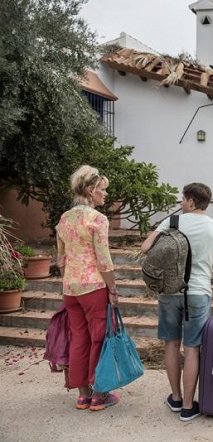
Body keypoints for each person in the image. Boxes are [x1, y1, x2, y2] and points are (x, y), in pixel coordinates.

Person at [141, 182, 213, 422]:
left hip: (170, 292)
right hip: (199, 294)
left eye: (183, 199)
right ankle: (189, 407)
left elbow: (145, 247)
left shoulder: (172, 223)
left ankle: (176, 397)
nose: (181, 203)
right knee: (192, 348)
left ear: (191, 201)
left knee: (171, 344)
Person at [56, 165, 119, 411]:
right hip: (94, 286)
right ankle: (100, 393)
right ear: (91, 190)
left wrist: (68, 282)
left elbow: (61, 259)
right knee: (99, 339)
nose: (105, 194)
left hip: (71, 288)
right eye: (103, 190)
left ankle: (83, 394)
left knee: (79, 338)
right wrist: (112, 289)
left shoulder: (64, 218)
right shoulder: (98, 219)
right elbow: (104, 259)